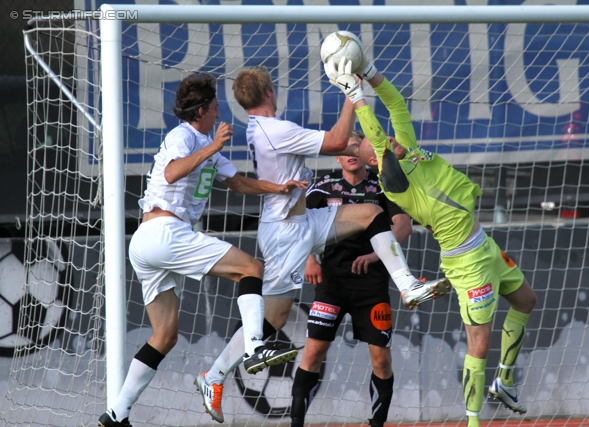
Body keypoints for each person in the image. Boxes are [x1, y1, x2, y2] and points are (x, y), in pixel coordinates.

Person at [199, 66, 450, 423]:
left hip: (302, 221)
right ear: (269, 92)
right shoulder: (276, 129)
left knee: (368, 213)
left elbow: (343, 144)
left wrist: (372, 145)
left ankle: (407, 284)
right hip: (286, 231)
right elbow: (335, 140)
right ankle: (214, 375)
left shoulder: (267, 128)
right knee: (275, 316)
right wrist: (352, 95)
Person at [323, 50, 537, 427]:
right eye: (375, 145)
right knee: (478, 345)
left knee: (526, 300)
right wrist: (355, 97)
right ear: (375, 159)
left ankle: (504, 380)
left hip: (485, 245)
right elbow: (375, 135)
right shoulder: (395, 183)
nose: (386, 137)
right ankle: (473, 421)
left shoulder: (410, 151)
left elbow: (396, 104)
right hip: (467, 263)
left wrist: (370, 72)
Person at [98, 73, 305, 427]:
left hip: (149, 241)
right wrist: (212, 147)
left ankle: (117, 414)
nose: (219, 113)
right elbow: (173, 173)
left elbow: (239, 183)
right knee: (252, 269)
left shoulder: (204, 142)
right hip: (164, 232)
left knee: (165, 336)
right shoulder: (184, 136)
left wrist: (279, 187)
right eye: (215, 108)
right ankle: (256, 347)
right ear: (201, 110)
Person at [290, 130, 413, 427]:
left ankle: (377, 423)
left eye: (355, 147)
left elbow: (404, 227)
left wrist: (376, 255)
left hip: (372, 286)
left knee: (381, 360)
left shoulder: (381, 186)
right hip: (331, 284)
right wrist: (309, 258)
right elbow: (296, 225)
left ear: (364, 152)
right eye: (344, 148)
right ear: (336, 156)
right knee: (313, 352)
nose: (349, 152)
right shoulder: (322, 188)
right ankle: (295, 424)